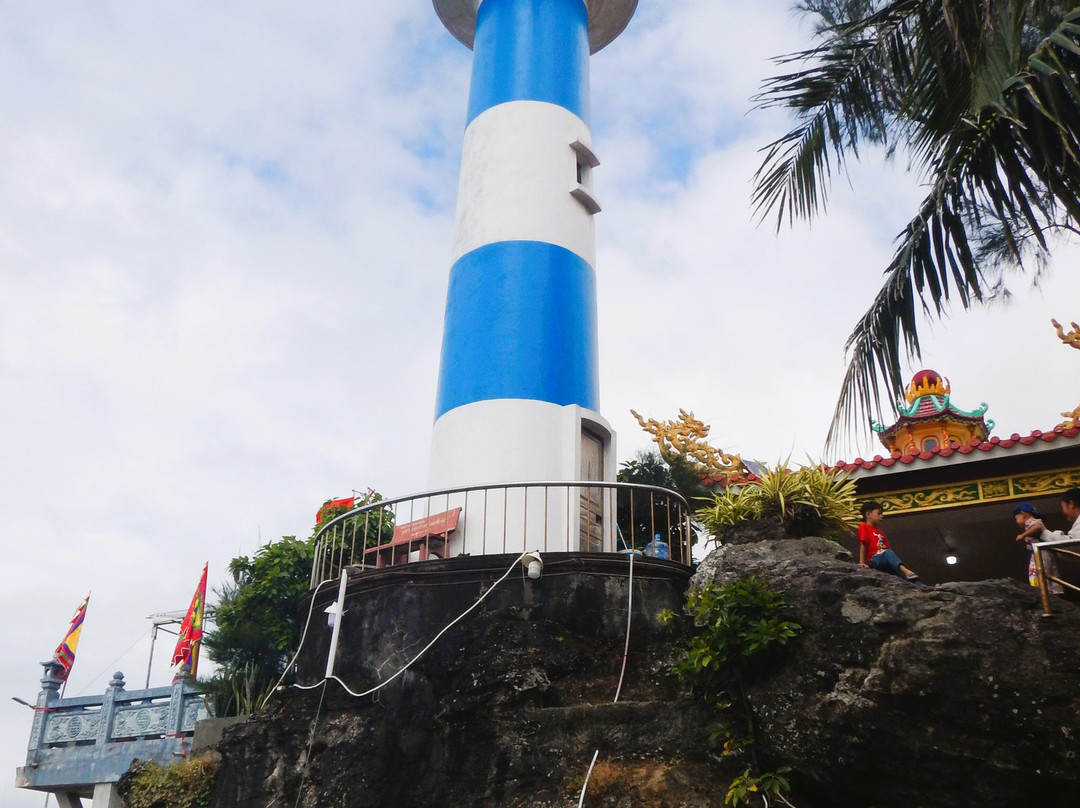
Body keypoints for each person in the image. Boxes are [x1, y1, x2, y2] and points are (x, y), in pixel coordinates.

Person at [858, 500, 919, 581]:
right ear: (868, 514)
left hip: (885, 558)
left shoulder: (881, 533)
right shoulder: (864, 526)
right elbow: (863, 544)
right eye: (879, 513)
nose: (881, 516)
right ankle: (905, 570)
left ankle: (918, 583)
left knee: (900, 573)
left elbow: (888, 549)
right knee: (887, 553)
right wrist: (862, 563)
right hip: (875, 559)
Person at [1012, 503, 1062, 595]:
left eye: (1016, 518)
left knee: (1039, 575)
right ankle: (1049, 592)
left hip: (1040, 553)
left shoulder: (1030, 521)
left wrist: (1023, 535)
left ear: (1022, 514)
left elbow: (1037, 526)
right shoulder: (1030, 523)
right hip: (1042, 553)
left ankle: (1043, 593)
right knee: (1046, 575)